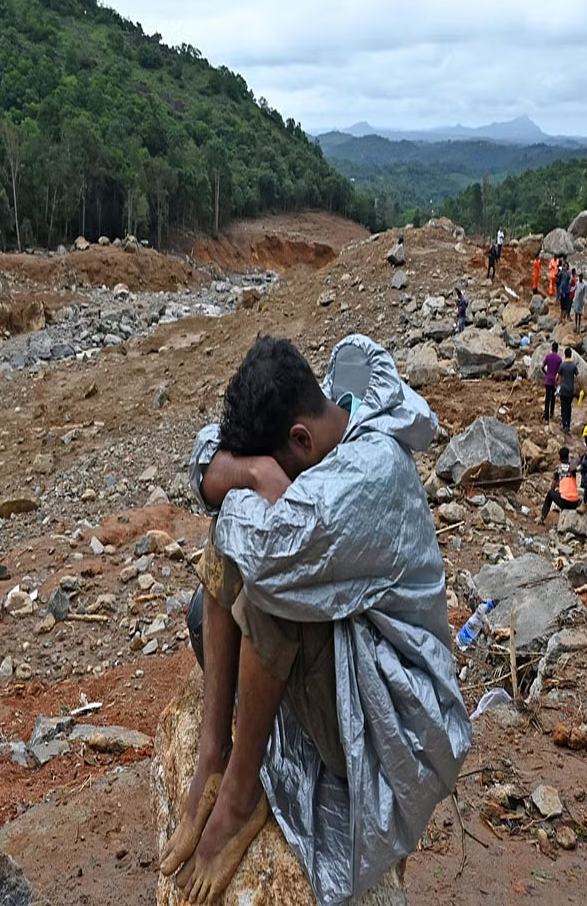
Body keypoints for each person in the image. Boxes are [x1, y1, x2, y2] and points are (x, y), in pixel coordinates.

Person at [169, 335, 470, 904]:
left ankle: (239, 796)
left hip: (393, 720)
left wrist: (241, 486)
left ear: (300, 440)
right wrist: (257, 473)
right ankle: (214, 752)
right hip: (352, 659)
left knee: (268, 590)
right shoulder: (328, 414)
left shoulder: (368, 475)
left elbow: (255, 547)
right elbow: (206, 460)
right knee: (215, 589)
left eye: (276, 461)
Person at [541, 446, 580, 523]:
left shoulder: (558, 470)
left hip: (565, 502)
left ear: (559, 458)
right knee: (563, 492)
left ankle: (542, 517)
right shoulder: (572, 469)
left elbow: (553, 486)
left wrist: (553, 492)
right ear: (568, 457)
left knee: (550, 493)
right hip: (575, 503)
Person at [558, 346, 577, 434]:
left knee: (563, 407)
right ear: (571, 355)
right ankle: (568, 426)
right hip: (571, 390)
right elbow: (578, 376)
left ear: (565, 355)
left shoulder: (562, 365)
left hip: (563, 389)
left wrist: (557, 384)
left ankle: (564, 424)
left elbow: (558, 377)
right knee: (569, 407)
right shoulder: (573, 365)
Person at [541, 340, 562, 423]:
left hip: (548, 380)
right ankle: (551, 413)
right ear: (557, 349)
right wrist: (558, 381)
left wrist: (546, 373)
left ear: (552, 348)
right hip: (554, 381)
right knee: (553, 398)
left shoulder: (548, 356)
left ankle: (546, 419)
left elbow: (542, 367)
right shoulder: (559, 359)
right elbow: (560, 372)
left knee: (547, 399)